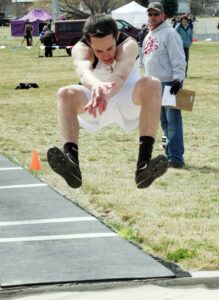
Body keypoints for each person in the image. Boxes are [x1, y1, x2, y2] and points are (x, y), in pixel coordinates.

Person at [47, 14, 168, 189]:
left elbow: (119, 75)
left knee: (153, 84)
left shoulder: (129, 45)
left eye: (110, 48)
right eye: (99, 51)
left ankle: (143, 166)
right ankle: (71, 163)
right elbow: (82, 71)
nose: (106, 55)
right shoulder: (80, 48)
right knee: (65, 93)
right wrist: (96, 85)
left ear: (117, 36)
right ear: (89, 43)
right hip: (93, 105)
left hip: (128, 101)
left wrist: (103, 92)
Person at [142, 2, 186, 168]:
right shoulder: (149, 35)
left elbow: (178, 58)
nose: (152, 17)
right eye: (150, 14)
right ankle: (170, 153)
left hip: (168, 83)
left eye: (156, 14)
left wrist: (177, 80)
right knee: (164, 122)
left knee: (173, 121)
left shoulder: (170, 33)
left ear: (163, 16)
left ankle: (176, 158)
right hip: (153, 85)